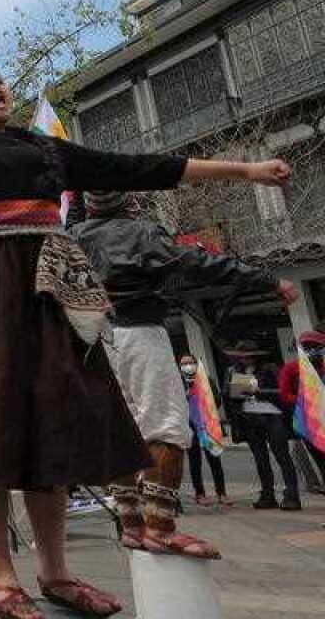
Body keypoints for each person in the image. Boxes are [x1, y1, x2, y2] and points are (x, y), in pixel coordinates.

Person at [0, 16, 292, 619]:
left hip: (48, 298)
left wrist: (245, 171)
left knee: (52, 427)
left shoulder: (47, 150)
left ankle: (56, 573)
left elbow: (141, 167)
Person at [70, 191, 292, 559]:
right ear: (128, 199)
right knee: (167, 427)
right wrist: (267, 280)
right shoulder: (140, 232)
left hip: (95, 341)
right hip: (140, 334)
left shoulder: (75, 234)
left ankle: (131, 524)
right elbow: (199, 261)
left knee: (118, 429)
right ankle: (160, 527)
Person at [226, 340, 300, 510]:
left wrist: (260, 391)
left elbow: (283, 391)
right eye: (242, 357)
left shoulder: (270, 368)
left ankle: (292, 495)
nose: (245, 360)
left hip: (272, 418)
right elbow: (236, 399)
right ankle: (267, 495)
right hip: (251, 422)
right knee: (261, 460)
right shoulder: (236, 371)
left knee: (282, 457)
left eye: (248, 357)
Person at [178, 355, 232, 507]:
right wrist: (185, 397)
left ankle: (221, 493)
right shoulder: (178, 383)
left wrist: (204, 397)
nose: (188, 366)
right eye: (184, 364)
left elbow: (218, 400)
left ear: (196, 364)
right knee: (195, 461)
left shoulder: (206, 379)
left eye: (190, 362)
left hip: (207, 424)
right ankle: (199, 493)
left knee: (214, 459)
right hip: (190, 426)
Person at [278, 329, 325, 492]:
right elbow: (284, 394)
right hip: (307, 422)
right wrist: (307, 402)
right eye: (308, 346)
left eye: (317, 346)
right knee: (318, 457)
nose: (312, 350)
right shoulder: (291, 369)